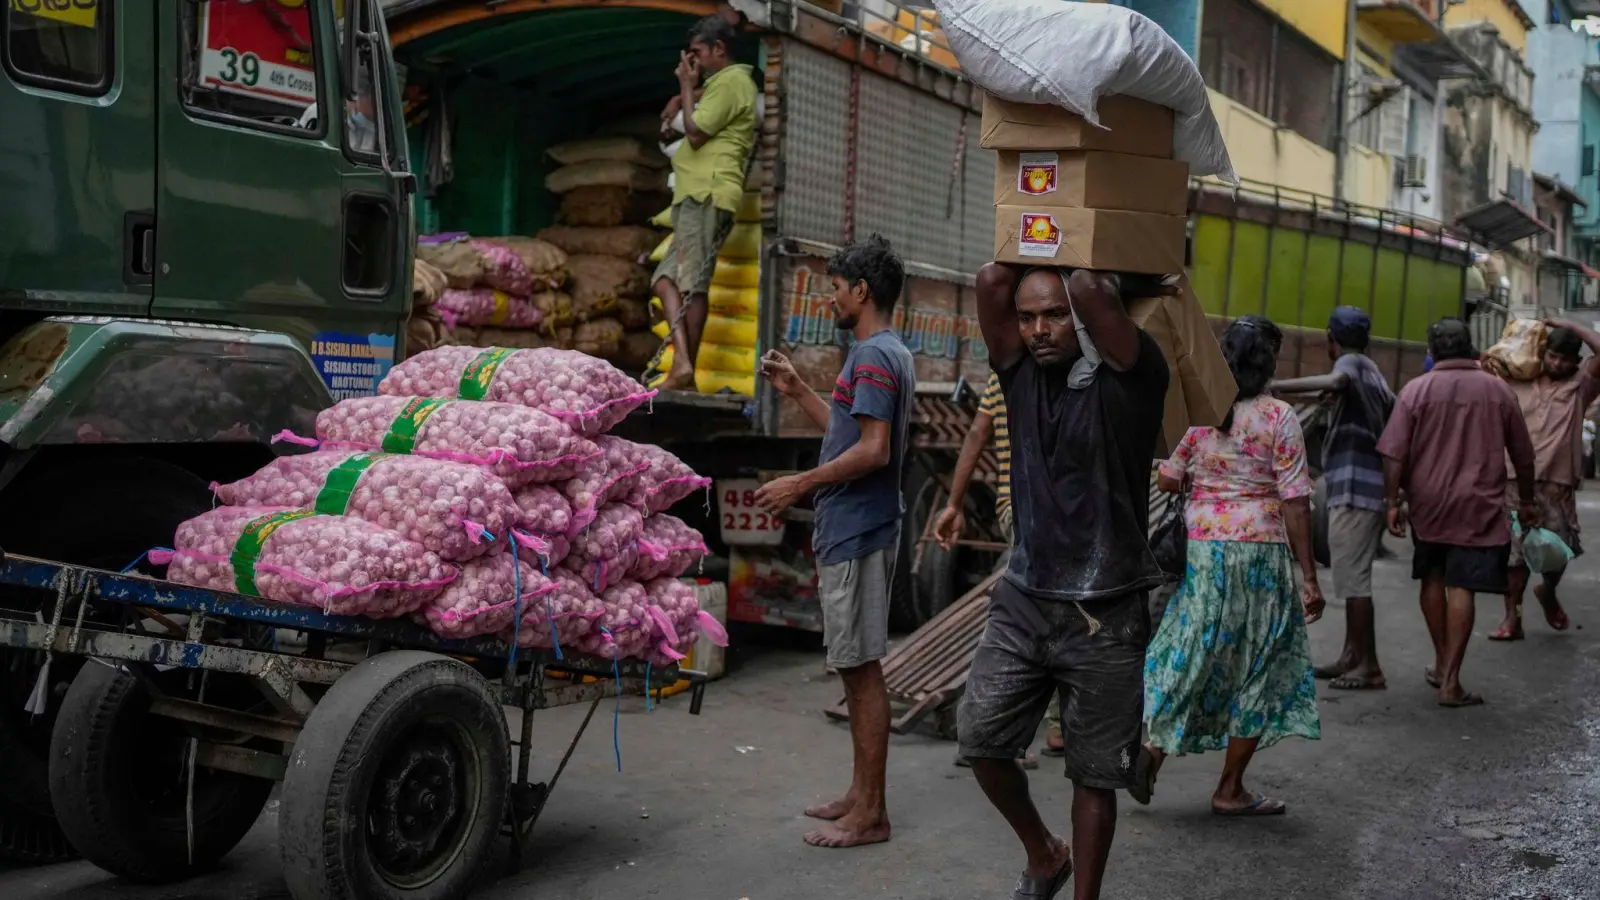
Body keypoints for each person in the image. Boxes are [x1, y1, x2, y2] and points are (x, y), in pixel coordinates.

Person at [958, 265, 1172, 900]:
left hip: (1107, 609)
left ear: (1081, 317)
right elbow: (991, 277)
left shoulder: (1134, 380)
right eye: (1027, 319)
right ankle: (1044, 854)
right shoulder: (1019, 377)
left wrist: (1097, 261)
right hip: (1025, 598)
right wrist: (1044, 229)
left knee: (1094, 775)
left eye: (1052, 315)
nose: (1038, 330)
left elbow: (1088, 286)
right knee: (981, 740)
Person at [754, 235, 914, 849]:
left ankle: (871, 813)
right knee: (855, 668)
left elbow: (873, 452)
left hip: (858, 528)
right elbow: (853, 433)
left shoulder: (873, 355)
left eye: (834, 287)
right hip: (858, 526)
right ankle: (860, 793)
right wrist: (797, 390)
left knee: (862, 668)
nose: (829, 299)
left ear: (861, 291)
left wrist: (801, 481)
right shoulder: (885, 352)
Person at [1136, 316, 1324, 816]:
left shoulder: (1202, 415)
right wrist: (1308, 574)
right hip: (1261, 552)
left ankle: (1152, 750)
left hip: (1205, 550)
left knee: (1191, 647)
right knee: (1259, 661)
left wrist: (1210, 478)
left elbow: (1168, 480)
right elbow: (1296, 501)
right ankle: (1230, 789)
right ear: (1268, 366)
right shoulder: (1280, 417)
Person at [1377, 318, 1539, 707]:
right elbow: (1523, 454)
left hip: (1428, 502)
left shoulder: (1415, 390)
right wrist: (1529, 500)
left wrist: (1392, 502)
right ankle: (1451, 680)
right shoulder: (1498, 391)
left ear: (1432, 352)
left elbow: (1394, 455)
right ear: (1471, 348)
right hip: (1479, 503)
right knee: (1461, 585)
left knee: (1432, 576)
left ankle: (1440, 660)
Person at [932, 374, 1055, 767]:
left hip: (1017, 510)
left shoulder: (1000, 375)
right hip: (1039, 513)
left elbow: (976, 434)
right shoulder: (1056, 375)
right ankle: (988, 734)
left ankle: (1051, 726)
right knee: (1028, 622)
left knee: (1047, 615)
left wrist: (955, 503)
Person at [1269, 307, 1395, 690]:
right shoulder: (1373, 372)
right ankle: (1350, 656)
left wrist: (1278, 385)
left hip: (1356, 490)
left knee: (1354, 582)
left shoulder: (1351, 366)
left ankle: (1368, 665)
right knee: (1352, 576)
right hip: (1365, 487)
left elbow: (1338, 380)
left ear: (1330, 339)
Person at [654, 15, 757, 391]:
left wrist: (685, 85)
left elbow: (696, 134)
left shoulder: (733, 82)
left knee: (691, 286)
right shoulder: (721, 85)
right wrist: (684, 95)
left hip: (708, 193)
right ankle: (683, 364)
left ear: (719, 50)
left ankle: (684, 369)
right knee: (665, 280)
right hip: (693, 193)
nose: (692, 62)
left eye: (697, 53)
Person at [1490, 321, 1600, 641]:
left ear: (1575, 362)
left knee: (1558, 550)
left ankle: (1548, 590)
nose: (1557, 364)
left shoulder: (1581, 385)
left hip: (1557, 482)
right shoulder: (1518, 377)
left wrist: (1566, 325)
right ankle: (1513, 617)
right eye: (1552, 356)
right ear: (1543, 354)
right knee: (1515, 553)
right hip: (1513, 478)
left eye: (1565, 359)